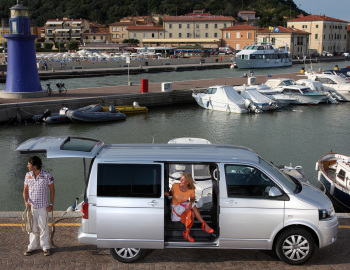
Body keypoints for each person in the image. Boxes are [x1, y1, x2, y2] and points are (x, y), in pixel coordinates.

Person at [165, 173, 213, 242]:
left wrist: (190, 202)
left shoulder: (191, 189)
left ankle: (187, 233)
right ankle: (204, 224)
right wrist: (160, 193)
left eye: (183, 180)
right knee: (193, 205)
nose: (181, 180)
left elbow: (192, 199)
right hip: (175, 208)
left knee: (192, 213)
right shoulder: (175, 185)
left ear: (188, 182)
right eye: (181, 178)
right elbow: (170, 194)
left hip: (184, 207)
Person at [23, 156, 55, 256]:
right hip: (31, 207)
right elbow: (25, 190)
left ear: (35, 166)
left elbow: (52, 190)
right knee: (32, 228)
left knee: (43, 227)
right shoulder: (28, 175)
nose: (27, 165)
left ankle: (45, 247)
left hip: (43, 207)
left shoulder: (47, 175)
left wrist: (51, 204)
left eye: (29, 164)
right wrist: (25, 201)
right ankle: (32, 247)